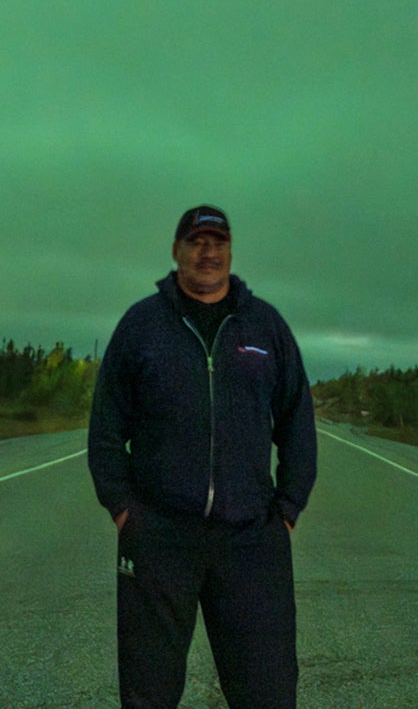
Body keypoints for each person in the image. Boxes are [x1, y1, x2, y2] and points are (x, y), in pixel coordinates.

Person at [89, 204, 317, 709]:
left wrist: (287, 512)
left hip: (251, 540)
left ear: (231, 252)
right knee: (148, 691)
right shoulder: (142, 326)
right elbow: (106, 429)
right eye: (196, 242)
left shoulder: (265, 327)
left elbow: (297, 420)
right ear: (177, 252)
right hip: (160, 539)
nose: (207, 252)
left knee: (268, 691)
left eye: (218, 242)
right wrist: (127, 512)